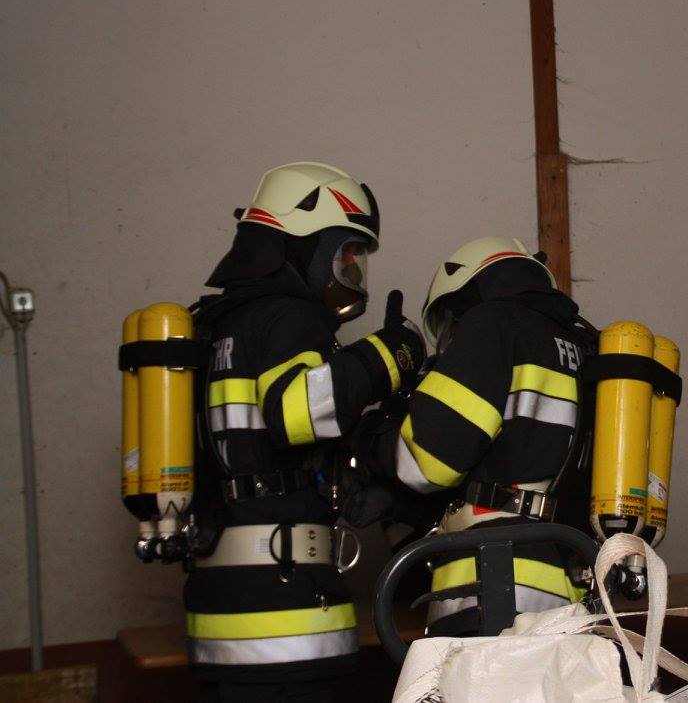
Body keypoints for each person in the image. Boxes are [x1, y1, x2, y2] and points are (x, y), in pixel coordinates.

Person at [186, 161, 425, 702]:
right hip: (282, 611)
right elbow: (297, 413)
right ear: (305, 244)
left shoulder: (218, 324)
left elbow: (251, 450)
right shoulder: (289, 315)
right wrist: (391, 355)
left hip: (222, 605)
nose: (353, 268)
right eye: (347, 252)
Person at [357, 236, 595, 637]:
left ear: (461, 303)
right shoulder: (584, 348)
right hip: (569, 592)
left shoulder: (493, 324)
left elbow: (427, 463)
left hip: (494, 587)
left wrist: (372, 437)